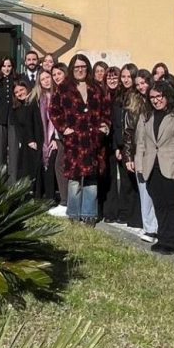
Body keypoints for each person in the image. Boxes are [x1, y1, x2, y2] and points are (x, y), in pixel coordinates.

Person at [49, 54, 110, 225]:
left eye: (83, 66)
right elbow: (53, 110)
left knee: (91, 179)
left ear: (87, 68)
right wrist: (63, 129)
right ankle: (74, 214)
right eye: (76, 67)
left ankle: (89, 214)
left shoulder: (97, 88)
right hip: (74, 141)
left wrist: (104, 127)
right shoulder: (63, 88)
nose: (80, 70)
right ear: (71, 69)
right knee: (74, 179)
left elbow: (106, 110)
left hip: (93, 141)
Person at [135, 81, 174, 254]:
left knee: (173, 204)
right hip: (152, 167)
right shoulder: (146, 116)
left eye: (159, 96)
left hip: (171, 165)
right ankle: (163, 238)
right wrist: (139, 165)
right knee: (159, 204)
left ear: (167, 96)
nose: (156, 100)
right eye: (152, 97)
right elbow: (141, 142)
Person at [123, 64, 158, 242]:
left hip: (158, 153)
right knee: (144, 190)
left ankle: (159, 227)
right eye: (138, 84)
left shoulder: (158, 100)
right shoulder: (133, 103)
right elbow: (128, 131)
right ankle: (149, 228)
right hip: (140, 153)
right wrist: (128, 156)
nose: (141, 87)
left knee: (158, 190)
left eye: (143, 83)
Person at [104, 66, 141, 228]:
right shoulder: (119, 96)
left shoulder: (137, 97)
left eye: (128, 77)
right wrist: (117, 146)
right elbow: (117, 124)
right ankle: (121, 212)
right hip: (120, 144)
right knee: (121, 181)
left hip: (133, 145)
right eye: (123, 77)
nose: (126, 80)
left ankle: (130, 214)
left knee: (130, 183)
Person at [30, 69, 58, 200]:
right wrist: (31, 139)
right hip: (40, 138)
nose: (46, 81)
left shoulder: (58, 96)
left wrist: (56, 138)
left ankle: (51, 198)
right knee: (40, 166)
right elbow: (30, 121)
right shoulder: (35, 99)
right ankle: (39, 198)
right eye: (43, 79)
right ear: (39, 83)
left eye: (48, 77)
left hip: (54, 138)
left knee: (52, 167)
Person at [48, 63, 69, 216]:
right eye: (54, 75)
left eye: (59, 74)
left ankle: (66, 202)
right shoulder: (58, 91)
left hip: (68, 136)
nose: (56, 77)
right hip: (60, 136)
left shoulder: (68, 91)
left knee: (60, 166)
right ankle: (65, 201)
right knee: (60, 166)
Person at [0, 57, 16, 178]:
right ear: (0, 67)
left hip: (13, 120)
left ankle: (13, 185)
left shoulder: (17, 80)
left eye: (9, 66)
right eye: (4, 66)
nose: (6, 69)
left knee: (14, 153)